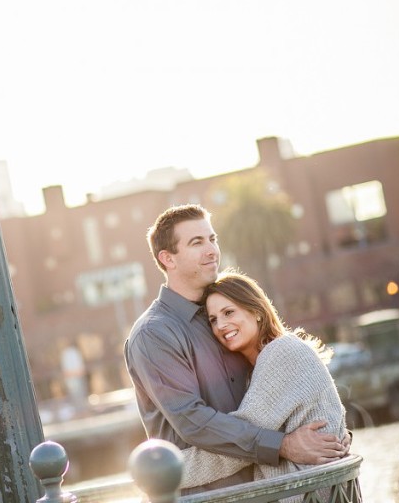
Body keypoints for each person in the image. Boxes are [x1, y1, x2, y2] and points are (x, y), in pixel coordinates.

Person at [124, 204, 346, 494]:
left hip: (264, 490)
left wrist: (332, 437)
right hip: (205, 496)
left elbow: (290, 401)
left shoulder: (228, 319)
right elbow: (194, 423)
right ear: (168, 259)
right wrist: (282, 446)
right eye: (197, 242)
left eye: (212, 239)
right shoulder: (154, 334)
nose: (212, 250)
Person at [178, 270, 347, 491]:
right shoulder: (257, 368)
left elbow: (238, 445)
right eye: (213, 320)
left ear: (256, 310)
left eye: (228, 312)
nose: (220, 325)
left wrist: (168, 474)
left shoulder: (281, 353)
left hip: (306, 494)